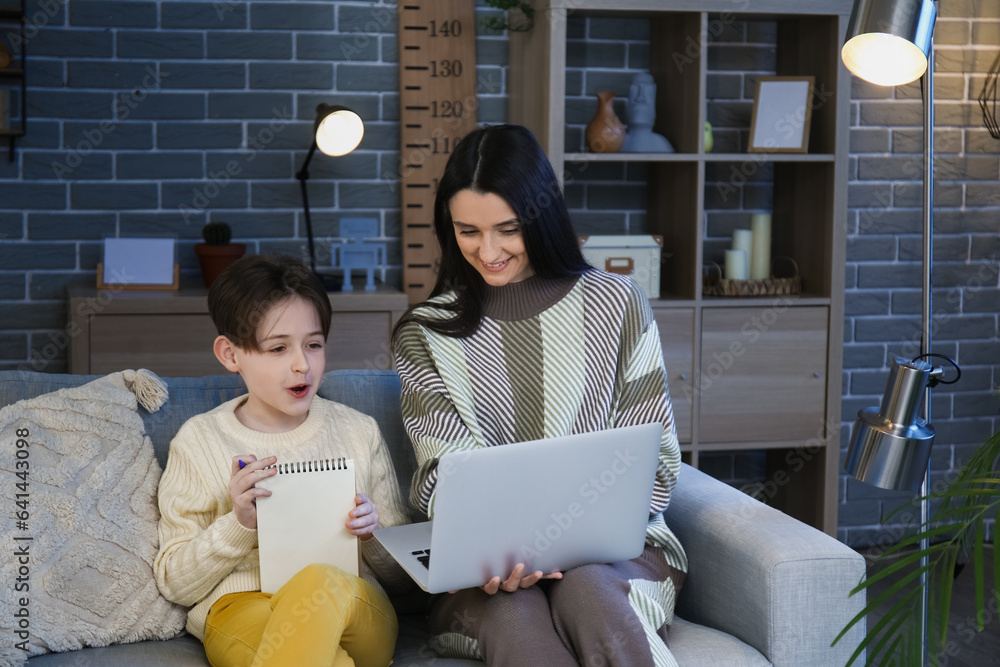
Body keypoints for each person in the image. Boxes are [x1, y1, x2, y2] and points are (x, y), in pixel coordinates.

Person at [392, 124, 688, 666]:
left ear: (541, 216)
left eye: (508, 229)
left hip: (617, 556)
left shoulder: (617, 303)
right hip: (485, 575)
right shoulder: (426, 335)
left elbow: (658, 459)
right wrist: (501, 551)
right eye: (468, 231)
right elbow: (440, 479)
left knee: (589, 589)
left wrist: (573, 546)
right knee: (516, 615)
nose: (489, 251)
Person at [154, 254, 411, 667]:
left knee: (320, 581)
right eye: (278, 348)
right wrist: (238, 524)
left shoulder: (358, 432)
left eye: (314, 344)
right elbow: (175, 584)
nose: (302, 365)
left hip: (353, 604)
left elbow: (407, 580)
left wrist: (373, 535)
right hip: (242, 607)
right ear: (230, 354)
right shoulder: (200, 440)